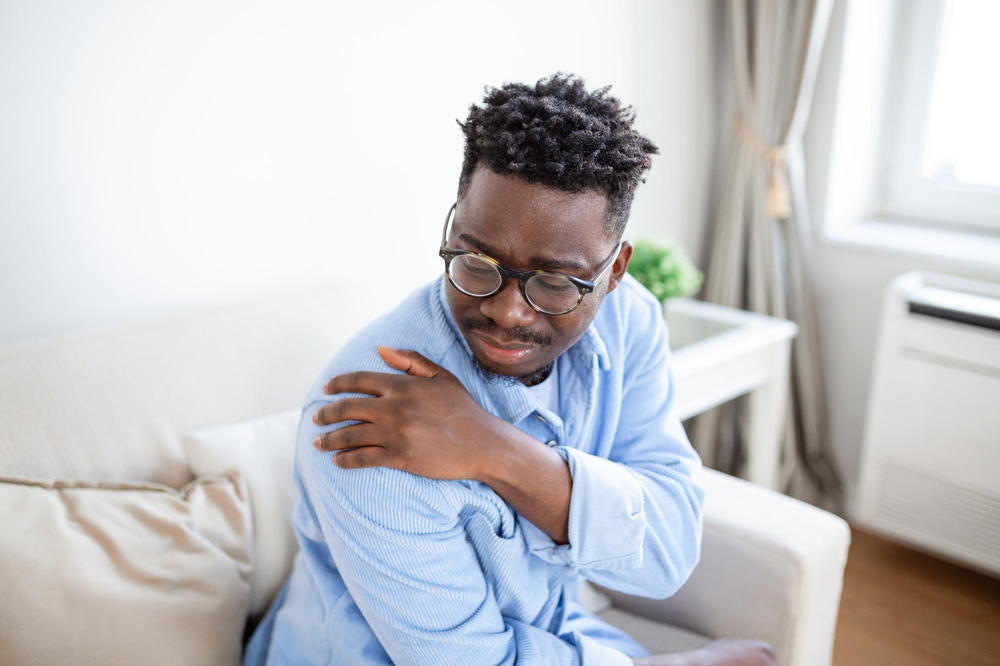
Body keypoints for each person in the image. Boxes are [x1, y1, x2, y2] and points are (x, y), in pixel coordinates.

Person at [243, 73, 775, 666]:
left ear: (616, 271)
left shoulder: (631, 323)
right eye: (476, 260)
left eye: (554, 282)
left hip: (553, 635)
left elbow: (667, 555)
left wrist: (493, 450)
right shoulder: (369, 419)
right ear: (453, 225)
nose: (505, 311)